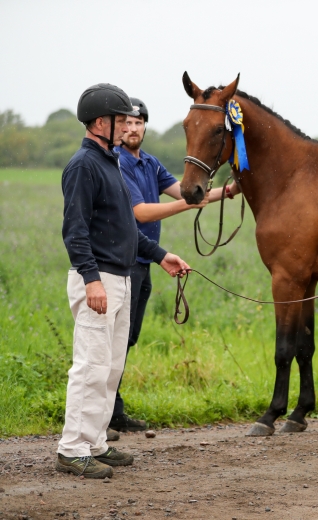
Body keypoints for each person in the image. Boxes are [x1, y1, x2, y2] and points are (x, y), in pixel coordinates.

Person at [57, 83, 190, 479]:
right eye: (119, 119)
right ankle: (71, 449)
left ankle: (95, 442)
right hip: (99, 280)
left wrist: (160, 255)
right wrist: (91, 280)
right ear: (101, 122)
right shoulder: (83, 165)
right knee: (91, 366)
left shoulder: (110, 160)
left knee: (111, 367)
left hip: (122, 276)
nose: (126, 126)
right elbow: (75, 230)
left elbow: (126, 227)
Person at [109, 97, 239, 435]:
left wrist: (226, 191)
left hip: (144, 262)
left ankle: (112, 412)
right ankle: (104, 416)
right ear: (118, 127)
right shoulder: (118, 164)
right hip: (123, 263)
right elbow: (142, 212)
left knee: (127, 339)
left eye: (138, 123)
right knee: (113, 341)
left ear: (144, 127)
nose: (132, 129)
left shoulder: (149, 163)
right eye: (127, 123)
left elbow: (185, 191)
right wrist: (186, 204)